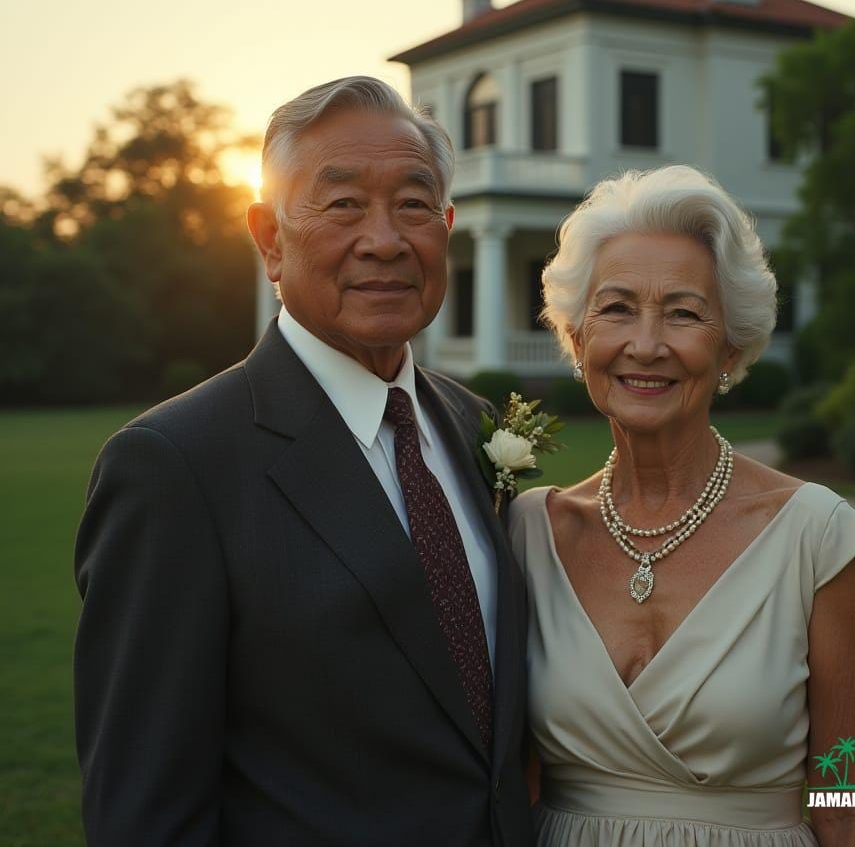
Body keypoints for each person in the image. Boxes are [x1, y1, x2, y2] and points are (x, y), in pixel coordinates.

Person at [74, 76, 534, 846]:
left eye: (414, 204)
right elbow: (142, 812)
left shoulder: (473, 426)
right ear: (269, 239)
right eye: (343, 203)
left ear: (446, 227)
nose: (385, 238)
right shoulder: (173, 468)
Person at [508, 166, 855, 847]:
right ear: (575, 336)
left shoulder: (816, 539)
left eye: (683, 313)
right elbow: (510, 780)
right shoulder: (528, 532)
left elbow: (850, 803)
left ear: (731, 345)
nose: (646, 344)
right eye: (617, 308)